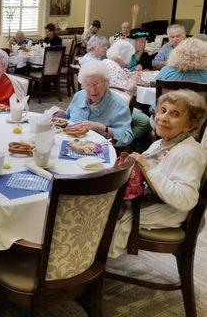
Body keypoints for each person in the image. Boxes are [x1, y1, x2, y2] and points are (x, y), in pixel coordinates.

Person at [109, 89, 207, 258]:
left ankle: (88, 264)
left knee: (96, 211)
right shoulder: (161, 144)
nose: (163, 118)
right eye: (162, 110)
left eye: (175, 114)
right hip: (152, 201)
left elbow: (185, 200)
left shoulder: (188, 153)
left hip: (166, 211)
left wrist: (147, 168)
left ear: (189, 125)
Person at [54, 60, 134, 147]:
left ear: (106, 83)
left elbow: (127, 136)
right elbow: (70, 117)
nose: (92, 90)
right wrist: (63, 115)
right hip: (70, 144)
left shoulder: (119, 105)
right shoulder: (79, 95)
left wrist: (103, 128)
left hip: (97, 151)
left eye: (96, 84)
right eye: (88, 85)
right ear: (83, 85)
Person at [104, 40, 151, 140]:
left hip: (106, 103)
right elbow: (125, 94)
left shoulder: (106, 62)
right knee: (145, 121)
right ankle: (121, 141)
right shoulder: (115, 67)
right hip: (114, 107)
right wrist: (133, 80)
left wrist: (124, 72)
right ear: (124, 55)